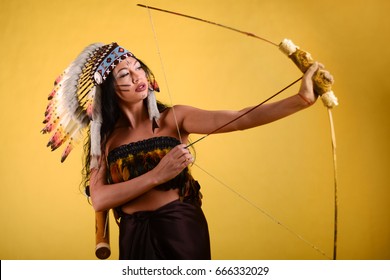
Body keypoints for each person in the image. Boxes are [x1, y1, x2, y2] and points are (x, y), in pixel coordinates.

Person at [43, 42, 323, 260]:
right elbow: (100, 199)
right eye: (124, 74)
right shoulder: (105, 141)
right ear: (110, 90)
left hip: (180, 228)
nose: (137, 75)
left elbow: (241, 118)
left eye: (138, 67)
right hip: (133, 234)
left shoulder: (174, 118)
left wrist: (301, 100)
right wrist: (157, 174)